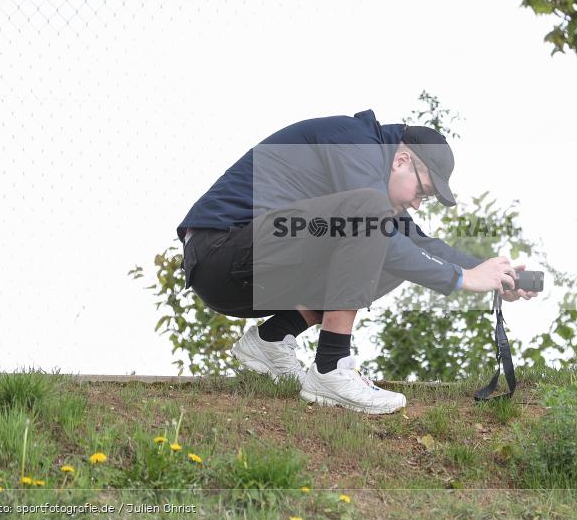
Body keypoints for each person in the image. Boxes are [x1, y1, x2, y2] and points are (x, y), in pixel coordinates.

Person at [177, 109, 537, 414]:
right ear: (402, 160)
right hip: (220, 253)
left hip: (254, 267)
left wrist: (486, 271)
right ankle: (332, 367)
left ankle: (271, 340)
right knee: (376, 222)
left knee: (388, 244)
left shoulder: (373, 172)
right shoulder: (356, 143)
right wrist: (461, 279)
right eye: (422, 192)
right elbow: (382, 229)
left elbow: (418, 243)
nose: (416, 204)